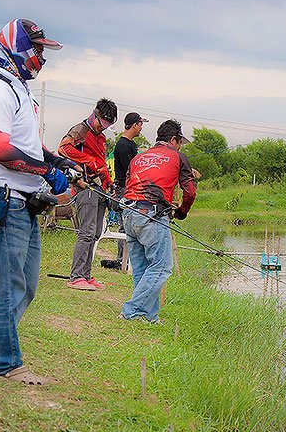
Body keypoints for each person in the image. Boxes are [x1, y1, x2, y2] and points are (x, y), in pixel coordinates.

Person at [0, 18, 75, 385]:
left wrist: (55, 160)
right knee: (7, 283)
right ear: (16, 47)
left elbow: (27, 145)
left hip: (22, 202)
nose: (42, 59)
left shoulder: (20, 91)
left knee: (26, 284)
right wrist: (46, 171)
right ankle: (6, 362)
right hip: (2, 201)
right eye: (38, 50)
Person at [119, 119, 196, 323]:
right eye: (179, 142)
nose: (180, 146)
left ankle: (150, 317)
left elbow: (127, 183)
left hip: (128, 212)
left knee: (143, 269)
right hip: (152, 214)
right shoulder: (178, 157)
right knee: (161, 267)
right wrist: (182, 212)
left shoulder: (138, 157)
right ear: (173, 139)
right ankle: (131, 310)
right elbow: (190, 192)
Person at [58, 98, 118, 291]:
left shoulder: (101, 137)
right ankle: (76, 276)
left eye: (109, 124)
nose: (105, 127)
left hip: (100, 188)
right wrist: (88, 161)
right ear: (95, 114)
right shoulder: (80, 130)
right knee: (86, 232)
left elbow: (101, 163)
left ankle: (86, 275)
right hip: (85, 186)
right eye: (104, 122)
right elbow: (63, 148)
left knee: (96, 233)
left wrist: (109, 182)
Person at [113, 111, 149, 266]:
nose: (141, 128)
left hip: (129, 188)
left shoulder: (131, 145)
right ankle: (122, 259)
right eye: (140, 124)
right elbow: (131, 171)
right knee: (125, 225)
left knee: (130, 224)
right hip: (124, 189)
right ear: (134, 125)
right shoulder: (123, 146)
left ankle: (126, 259)